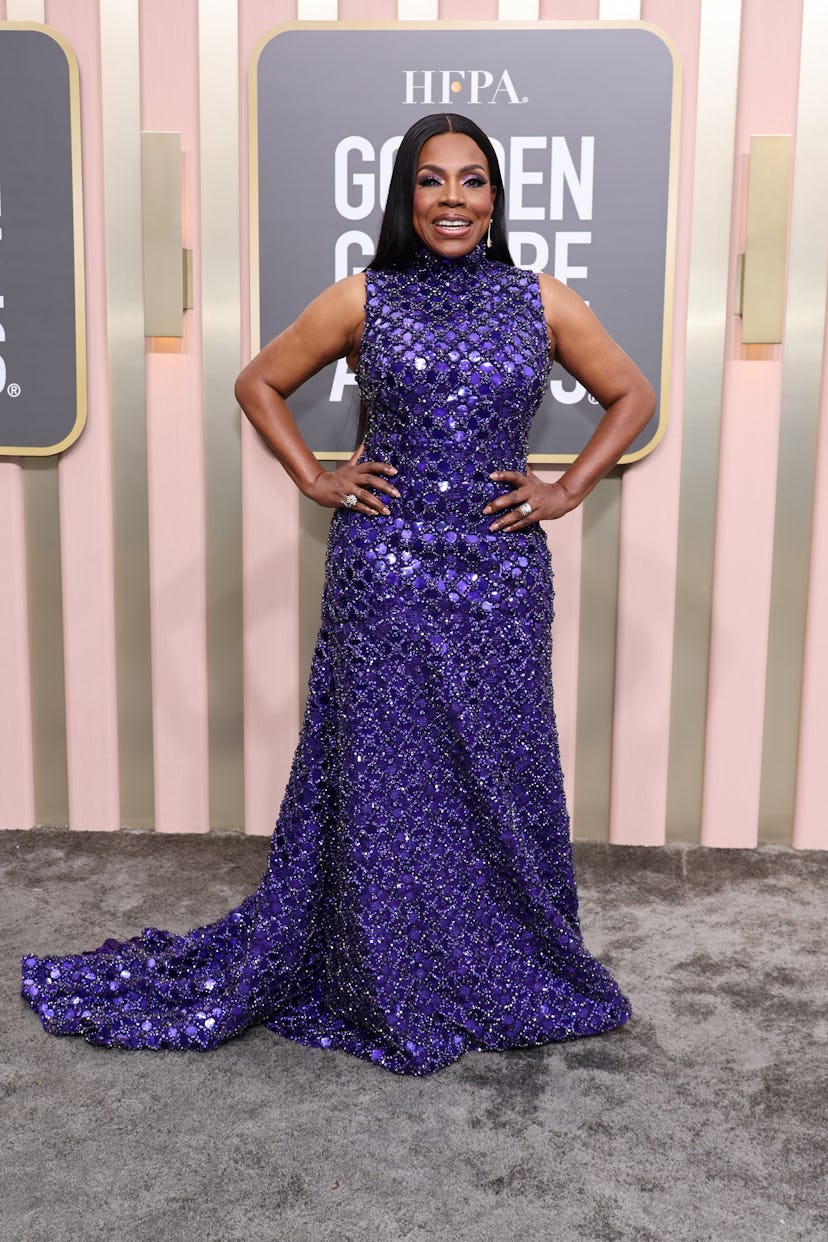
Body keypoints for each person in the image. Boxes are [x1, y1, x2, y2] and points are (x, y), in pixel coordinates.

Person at [21, 113, 655, 1076]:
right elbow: (258, 380)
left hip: (499, 572)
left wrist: (567, 488)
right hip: (386, 571)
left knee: (496, 764)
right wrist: (315, 478)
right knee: (388, 778)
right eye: (433, 181)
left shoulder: (540, 299)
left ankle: (498, 958)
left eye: (473, 181)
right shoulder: (366, 296)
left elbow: (633, 396)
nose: (454, 200)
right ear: (405, 195)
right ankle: (386, 968)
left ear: (495, 198)